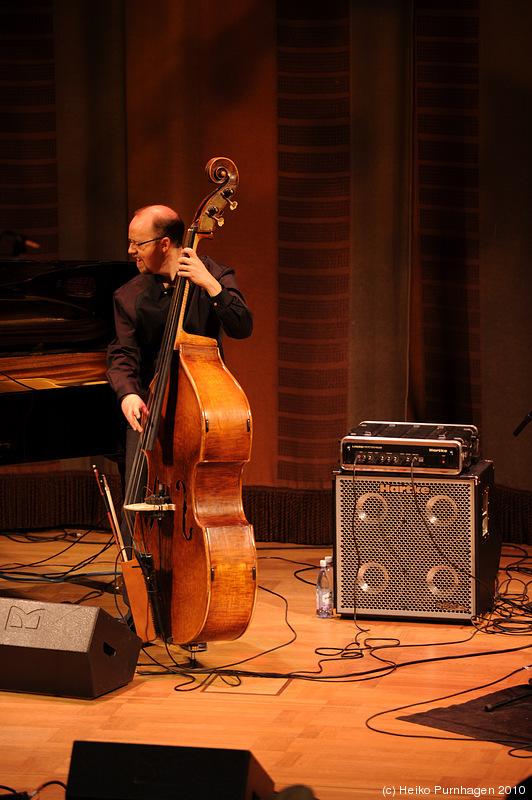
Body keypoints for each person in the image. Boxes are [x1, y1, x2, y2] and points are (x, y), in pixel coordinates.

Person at [106, 203, 253, 531]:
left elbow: (242, 326)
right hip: (149, 410)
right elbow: (122, 355)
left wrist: (211, 286)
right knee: (137, 507)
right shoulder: (128, 296)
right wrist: (128, 395)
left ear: (164, 243)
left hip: (201, 412)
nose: (130, 251)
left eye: (137, 244)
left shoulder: (214, 274)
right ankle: (139, 571)